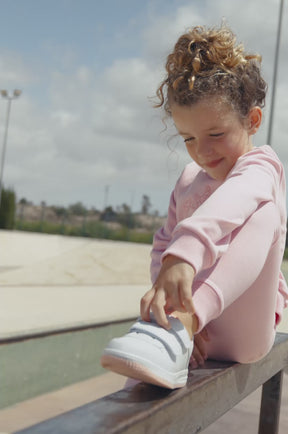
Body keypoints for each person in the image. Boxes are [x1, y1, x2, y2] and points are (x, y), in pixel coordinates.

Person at [101, 24, 288, 389]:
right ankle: (174, 328)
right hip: (195, 332)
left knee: (265, 211)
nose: (203, 151)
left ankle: (185, 320)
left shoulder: (261, 167)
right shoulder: (189, 179)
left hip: (244, 331)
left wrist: (184, 256)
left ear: (252, 121)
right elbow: (162, 245)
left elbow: (237, 198)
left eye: (216, 135)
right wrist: (167, 288)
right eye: (188, 138)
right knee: (141, 385)